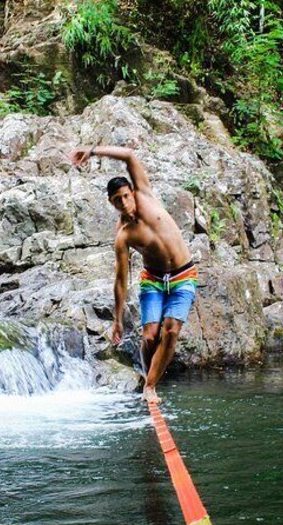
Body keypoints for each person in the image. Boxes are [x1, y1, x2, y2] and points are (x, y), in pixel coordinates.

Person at [69, 145, 197, 403]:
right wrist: (117, 319)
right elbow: (120, 280)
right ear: (111, 203)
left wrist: (92, 151)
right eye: (118, 200)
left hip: (183, 276)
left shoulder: (146, 195)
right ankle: (149, 376)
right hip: (153, 281)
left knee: (170, 331)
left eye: (126, 196)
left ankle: (150, 386)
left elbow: (129, 156)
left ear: (132, 192)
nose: (125, 203)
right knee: (149, 336)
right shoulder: (123, 235)